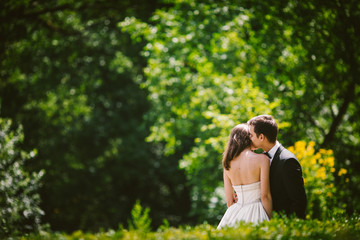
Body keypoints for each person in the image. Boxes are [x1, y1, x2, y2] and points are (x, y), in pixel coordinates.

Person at [247, 115, 307, 219]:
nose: (249, 139)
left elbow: (299, 201)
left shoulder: (287, 161)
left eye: (251, 135)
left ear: (261, 137)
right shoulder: (261, 159)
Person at [217, 124, 272, 229]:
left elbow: (229, 201)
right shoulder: (262, 159)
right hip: (257, 211)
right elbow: (265, 196)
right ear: (248, 139)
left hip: (235, 213)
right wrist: (271, 220)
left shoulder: (227, 164)